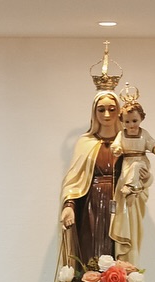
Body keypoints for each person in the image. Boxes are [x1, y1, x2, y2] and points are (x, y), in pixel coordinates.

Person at [60, 90, 122, 272]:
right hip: (91, 205)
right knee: (90, 249)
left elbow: (137, 173)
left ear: (119, 111)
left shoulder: (126, 142)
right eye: (101, 110)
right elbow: (74, 179)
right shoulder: (85, 142)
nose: (107, 114)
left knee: (115, 250)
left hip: (119, 205)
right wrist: (69, 205)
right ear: (94, 112)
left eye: (112, 109)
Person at [109, 96, 155, 266]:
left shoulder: (144, 134)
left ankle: (132, 189)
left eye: (134, 121)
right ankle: (129, 190)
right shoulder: (121, 134)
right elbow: (116, 146)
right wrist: (117, 149)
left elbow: (152, 144)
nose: (131, 125)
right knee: (129, 174)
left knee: (136, 168)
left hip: (140, 164)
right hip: (126, 167)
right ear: (122, 121)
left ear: (141, 119)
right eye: (127, 122)